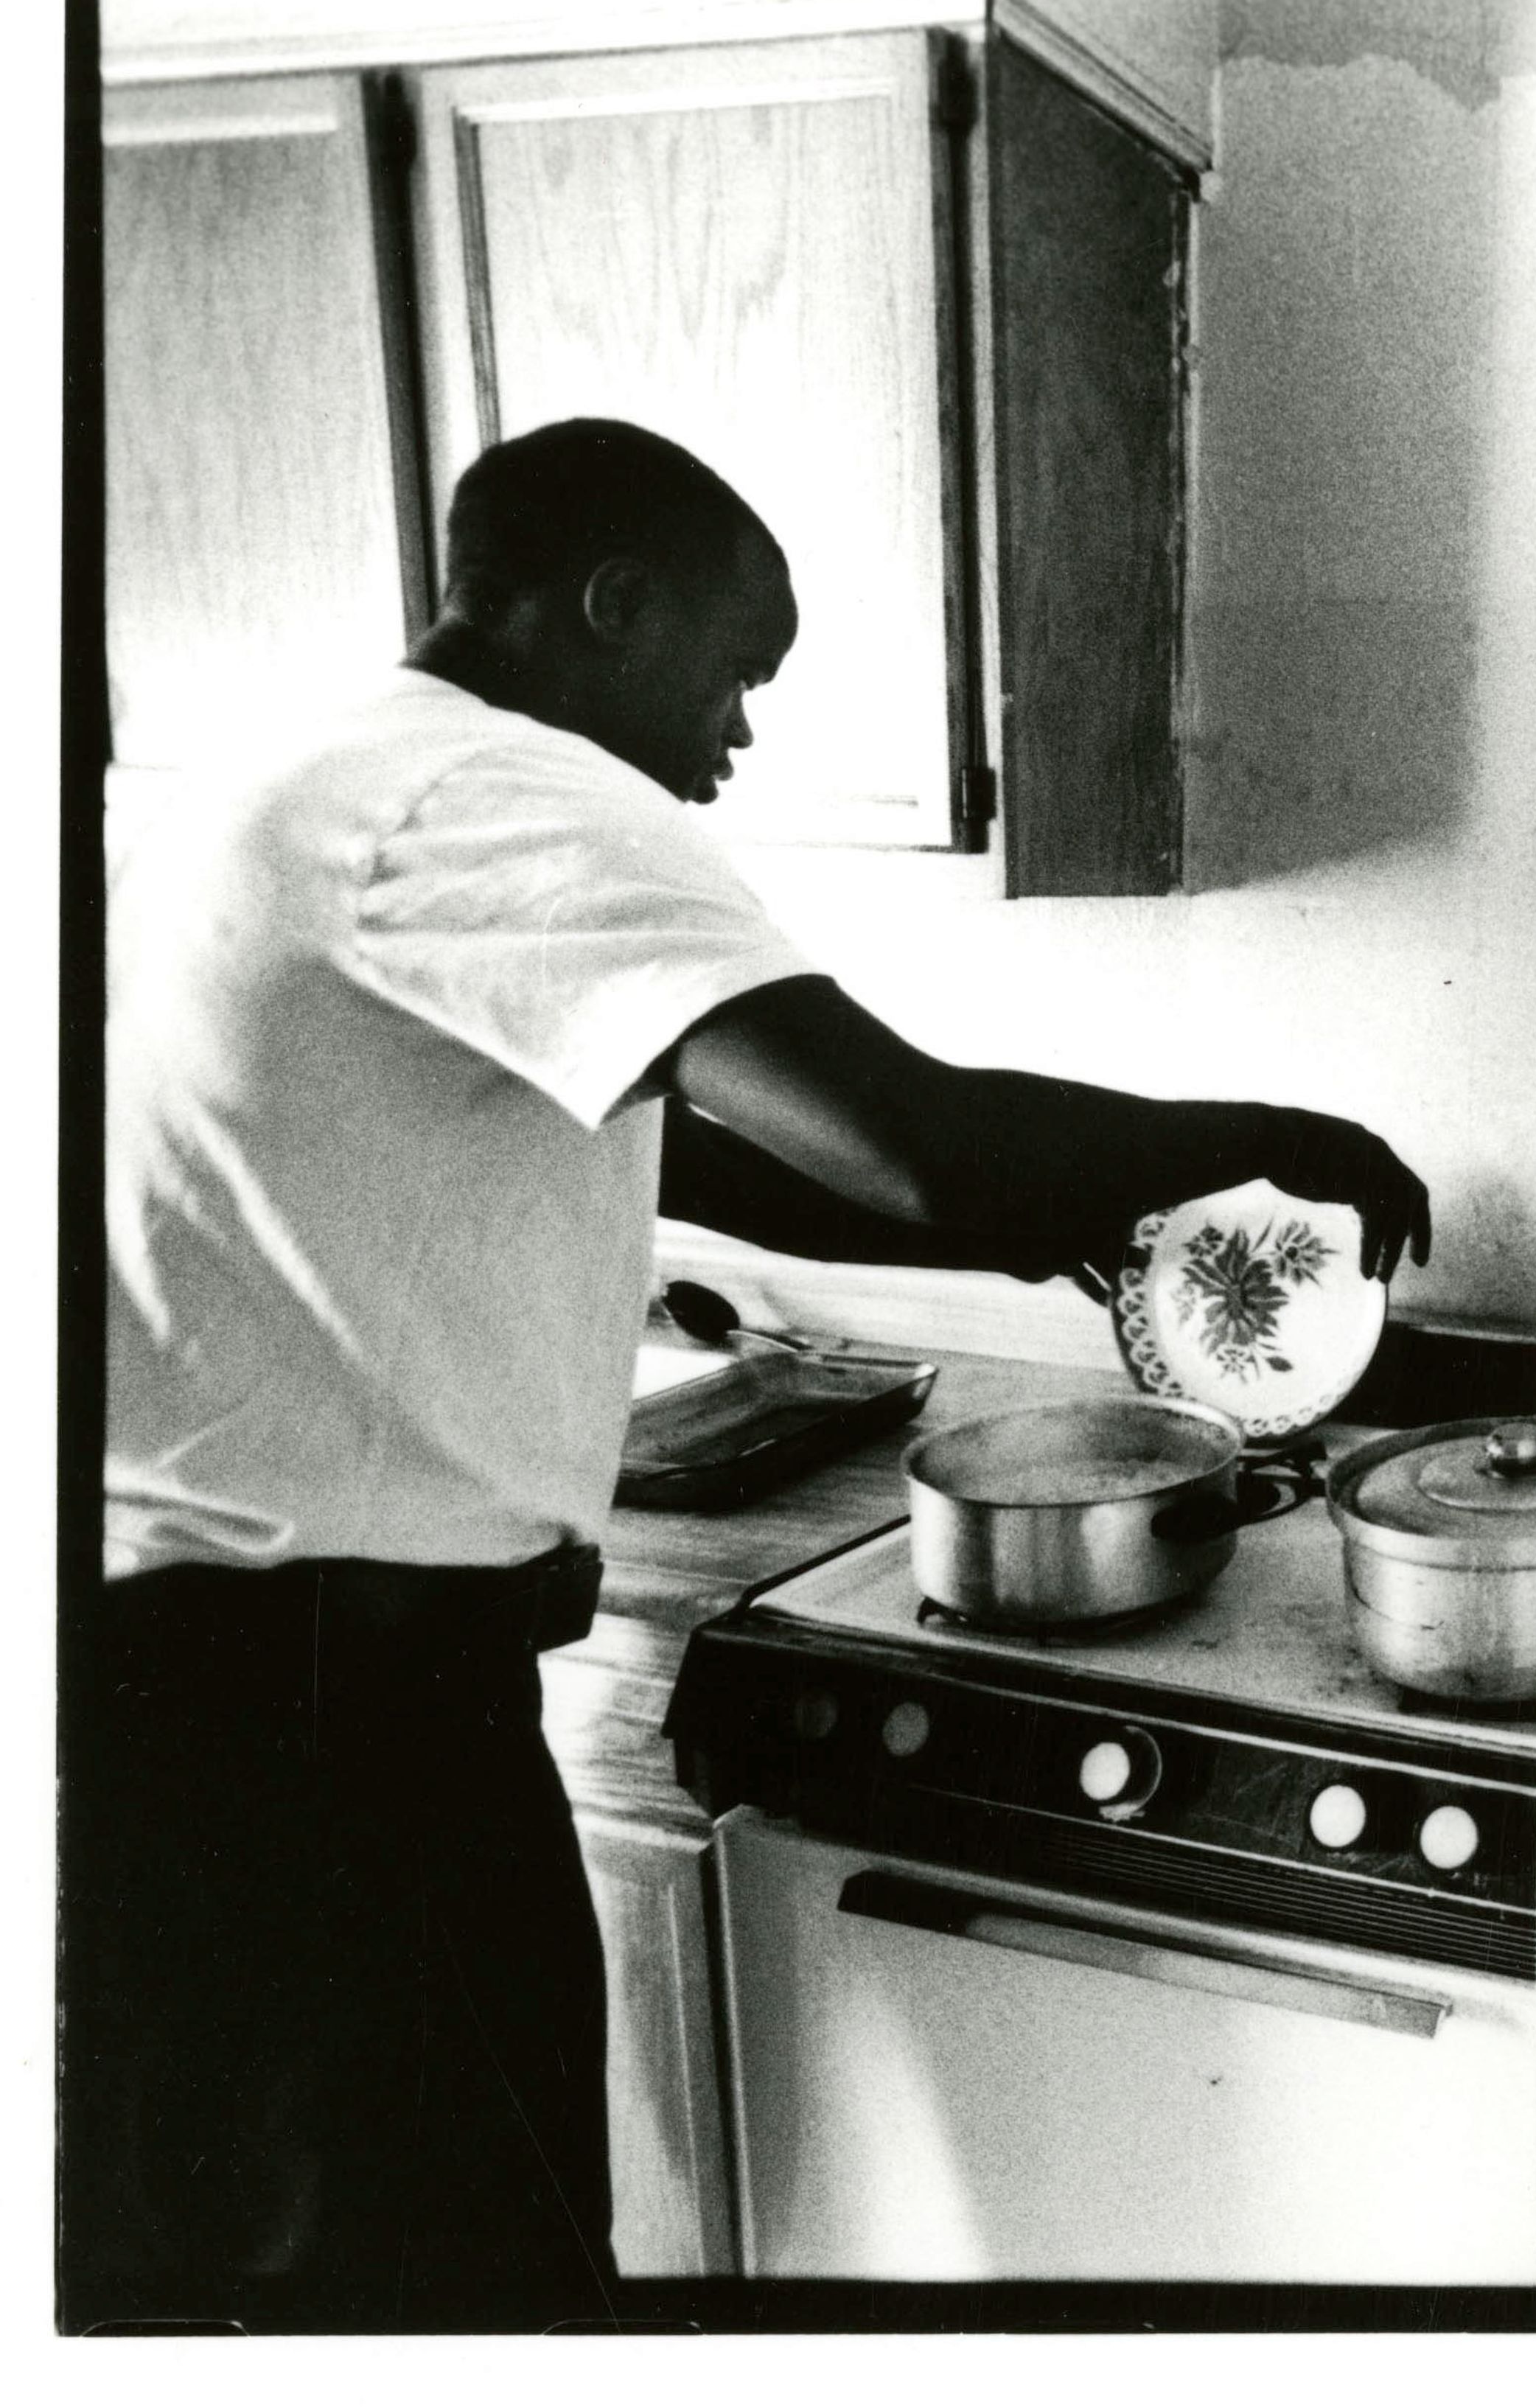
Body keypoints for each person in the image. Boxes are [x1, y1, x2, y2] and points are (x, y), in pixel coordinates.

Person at [80, 418, 1434, 2329]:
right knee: (448, 2312)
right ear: (609, 604)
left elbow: (698, 1153)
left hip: (173, 1704)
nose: (735, 733)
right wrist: (1273, 1136)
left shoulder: (311, 774)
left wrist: (1018, 1227)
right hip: (324, 1742)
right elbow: (912, 1139)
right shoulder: (502, 791)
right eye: (735, 669)